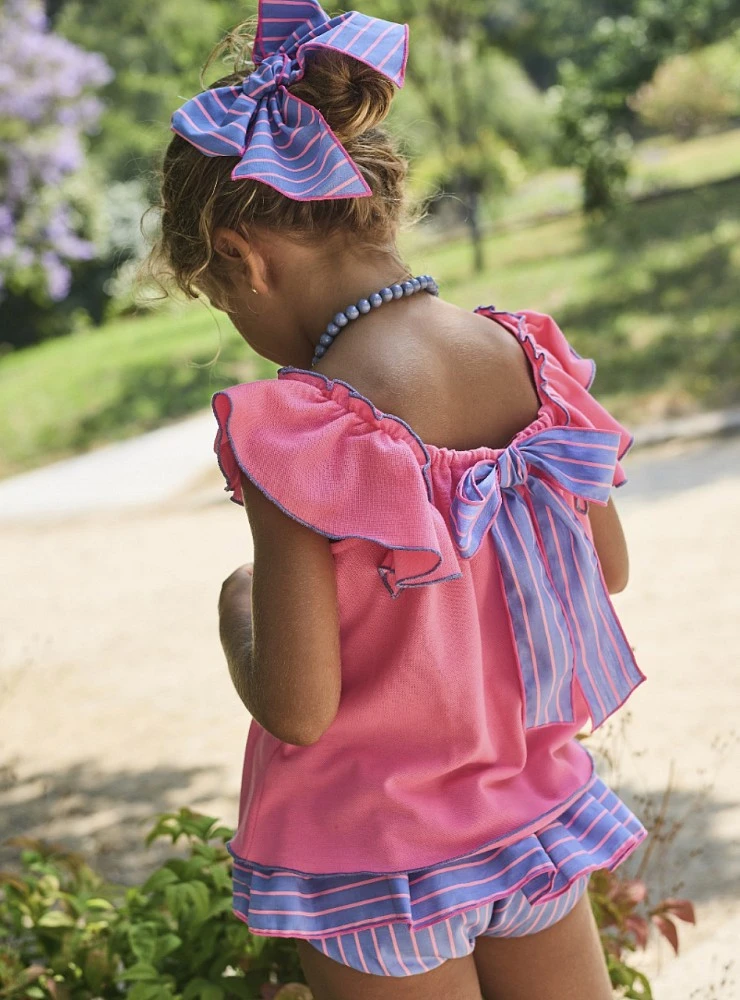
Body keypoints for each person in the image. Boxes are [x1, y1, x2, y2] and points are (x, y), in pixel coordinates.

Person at [151, 1, 647, 996]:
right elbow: (604, 569)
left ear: (247, 257)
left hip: (371, 862)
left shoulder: (300, 427)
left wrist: (237, 609)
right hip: (526, 822)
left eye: (224, 301)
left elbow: (299, 704)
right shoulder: (523, 356)